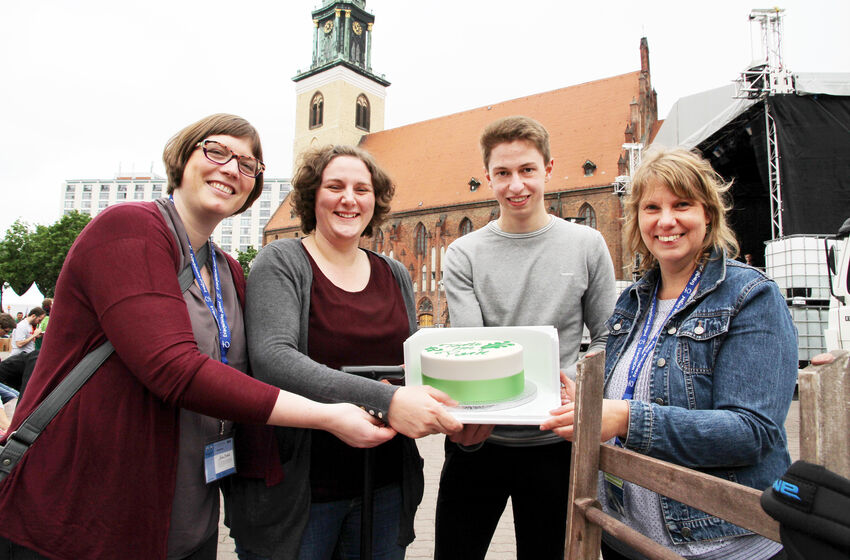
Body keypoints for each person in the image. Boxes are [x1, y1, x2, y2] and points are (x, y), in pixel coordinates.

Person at [0, 114, 396, 560]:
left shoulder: (225, 268)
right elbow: (174, 369)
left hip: (187, 512)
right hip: (86, 510)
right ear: (182, 158)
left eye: (248, 165)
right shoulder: (129, 228)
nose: (232, 168)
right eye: (216, 151)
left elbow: (251, 369)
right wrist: (329, 416)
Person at [542, 147, 798, 560]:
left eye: (682, 205)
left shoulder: (750, 296)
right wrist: (588, 406)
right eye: (651, 208)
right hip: (626, 537)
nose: (666, 221)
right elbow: (628, 397)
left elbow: (751, 433)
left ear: (708, 214)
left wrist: (625, 417)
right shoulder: (633, 301)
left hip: (716, 544)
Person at [226, 145, 462, 560]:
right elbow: (274, 359)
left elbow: (412, 367)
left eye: (361, 189)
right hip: (302, 492)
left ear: (376, 200)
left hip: (384, 485)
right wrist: (386, 399)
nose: (348, 199)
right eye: (334, 186)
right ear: (312, 196)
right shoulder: (282, 261)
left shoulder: (394, 273)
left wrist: (457, 411)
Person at [435, 116, 616, 560]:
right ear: (487, 178)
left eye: (527, 170)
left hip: (557, 443)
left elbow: (610, 336)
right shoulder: (464, 254)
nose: (516, 185)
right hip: (480, 442)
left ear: (548, 169)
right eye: (503, 173)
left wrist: (583, 388)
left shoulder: (587, 244)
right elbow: (470, 348)